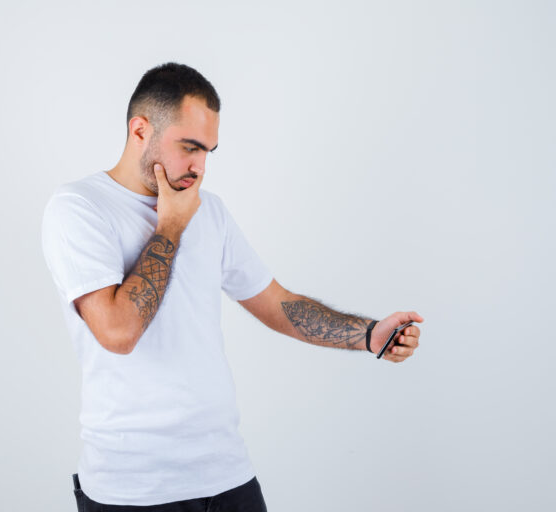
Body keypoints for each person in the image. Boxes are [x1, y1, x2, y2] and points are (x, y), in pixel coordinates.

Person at [41, 62, 424, 511]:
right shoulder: (79, 208)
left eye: (209, 151)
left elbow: (277, 303)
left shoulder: (211, 211)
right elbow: (118, 333)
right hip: (133, 488)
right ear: (140, 129)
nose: (199, 167)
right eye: (190, 147)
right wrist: (170, 228)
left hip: (227, 476)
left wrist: (367, 334)